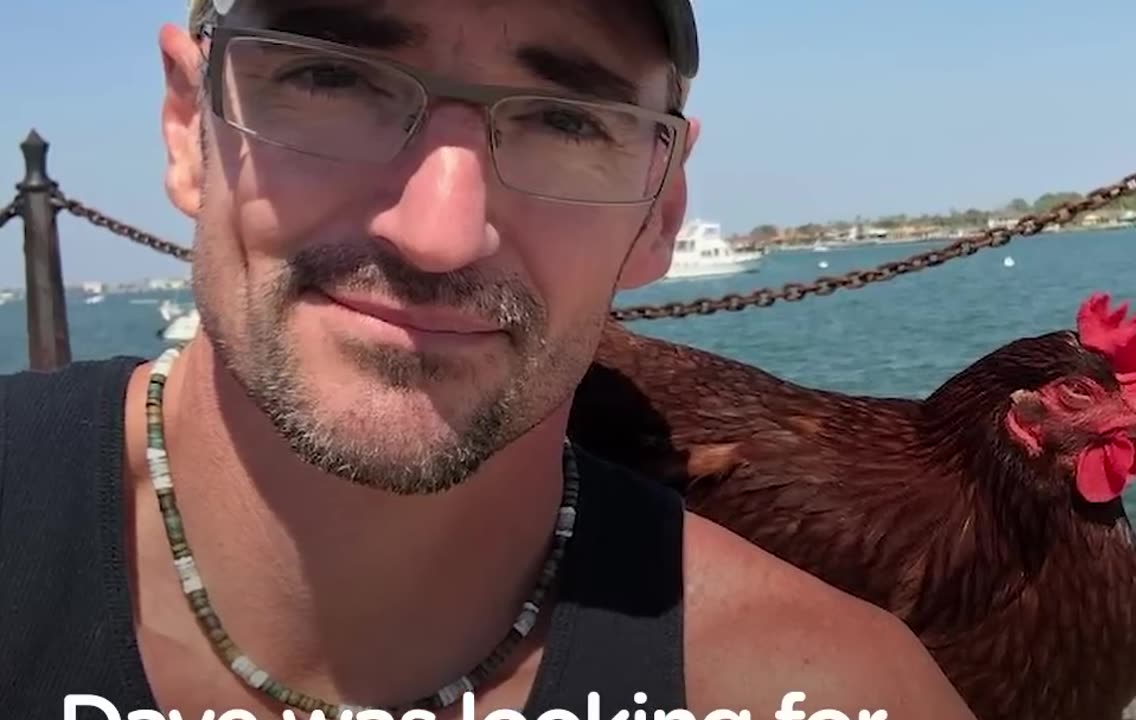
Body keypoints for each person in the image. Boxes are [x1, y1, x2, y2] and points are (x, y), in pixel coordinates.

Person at [0, 1, 976, 718]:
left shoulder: (823, 693)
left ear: (659, 211)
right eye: (330, 76)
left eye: (565, 120)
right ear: (188, 130)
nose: (439, 233)